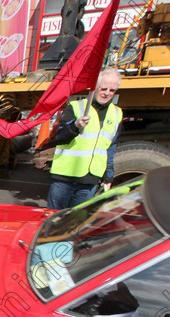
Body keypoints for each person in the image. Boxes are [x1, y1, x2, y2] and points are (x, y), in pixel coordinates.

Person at [47, 67, 123, 210]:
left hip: (90, 179)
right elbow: (59, 138)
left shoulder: (116, 114)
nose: (107, 93)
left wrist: (108, 177)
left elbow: (111, 147)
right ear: (95, 87)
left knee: (77, 222)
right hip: (65, 177)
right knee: (53, 217)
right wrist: (75, 126)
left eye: (112, 90)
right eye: (103, 88)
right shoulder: (76, 107)